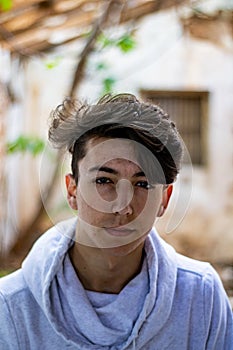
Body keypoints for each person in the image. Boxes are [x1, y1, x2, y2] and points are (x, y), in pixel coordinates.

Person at [0, 93, 232, 350]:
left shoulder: (201, 298)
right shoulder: (11, 306)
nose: (123, 206)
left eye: (142, 184)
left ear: (165, 199)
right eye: (104, 181)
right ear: (72, 190)